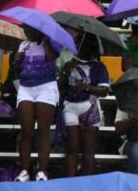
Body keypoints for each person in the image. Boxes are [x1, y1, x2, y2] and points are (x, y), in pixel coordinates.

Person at [14, 27, 59, 182]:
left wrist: (46, 42)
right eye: (25, 29)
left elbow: (52, 57)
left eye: (29, 29)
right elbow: (18, 69)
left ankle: (42, 171)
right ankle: (24, 171)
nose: (26, 32)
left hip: (46, 87)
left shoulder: (51, 42)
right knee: (26, 129)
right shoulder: (23, 45)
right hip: (26, 87)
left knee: (43, 129)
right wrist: (17, 60)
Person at [60, 39, 110, 178]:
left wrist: (85, 87)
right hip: (70, 106)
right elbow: (59, 86)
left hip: (90, 107)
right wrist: (67, 70)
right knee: (72, 147)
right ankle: (71, 182)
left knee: (88, 148)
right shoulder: (69, 64)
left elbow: (105, 90)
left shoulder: (99, 67)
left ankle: (87, 183)